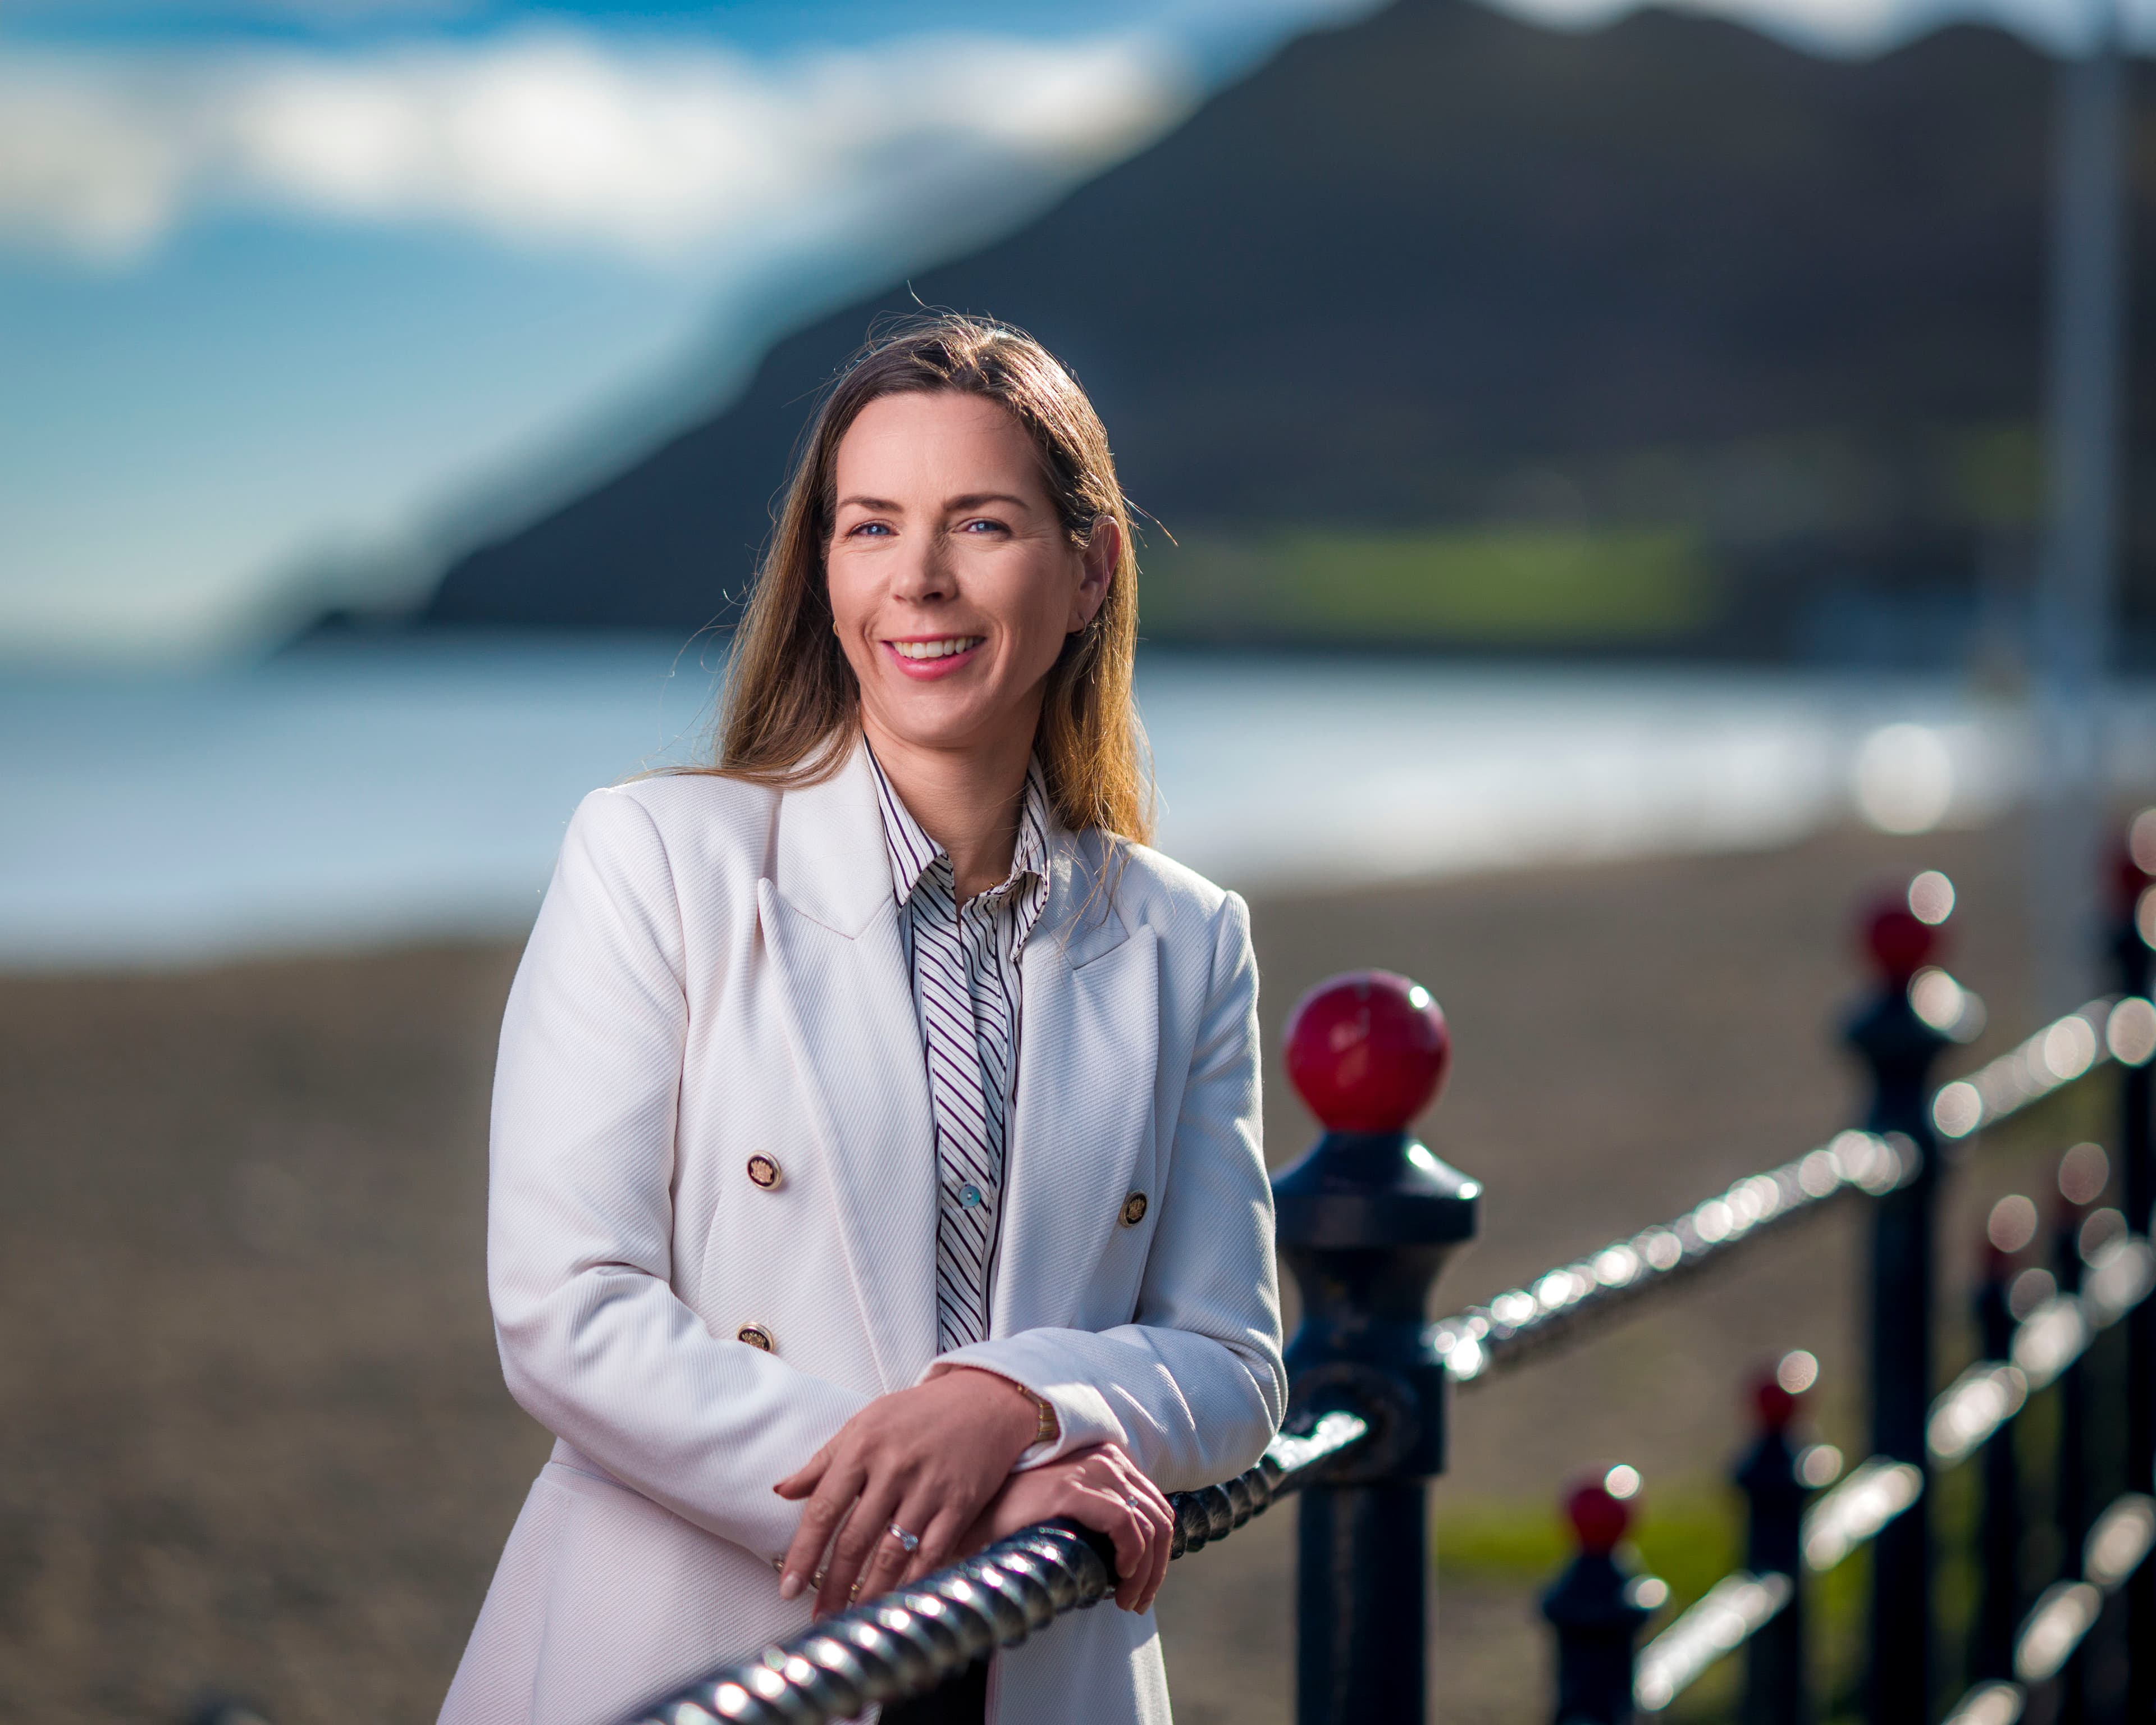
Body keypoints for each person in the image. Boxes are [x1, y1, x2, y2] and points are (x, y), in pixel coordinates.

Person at [439, 314, 1285, 1725]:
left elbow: (1235, 1364)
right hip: (705, 1643)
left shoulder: (1185, 938)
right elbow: (565, 1311)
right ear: (822, 566)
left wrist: (1016, 1405)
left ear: (1090, 570)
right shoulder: (657, 857)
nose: (920, 582)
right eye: (871, 526)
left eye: (984, 524)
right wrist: (960, 1487)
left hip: (1034, 1665)